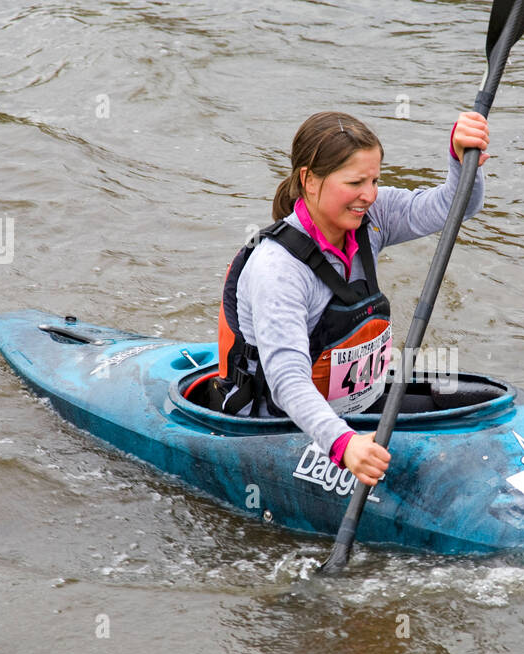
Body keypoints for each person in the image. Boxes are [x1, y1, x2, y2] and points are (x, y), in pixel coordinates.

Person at [207, 109, 490, 488]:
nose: (368, 195)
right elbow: (287, 380)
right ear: (308, 180)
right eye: (355, 182)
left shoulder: (371, 219)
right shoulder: (278, 269)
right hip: (283, 426)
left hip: (359, 408)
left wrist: (460, 158)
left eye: (374, 180)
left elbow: (455, 208)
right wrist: (344, 445)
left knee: (479, 412)